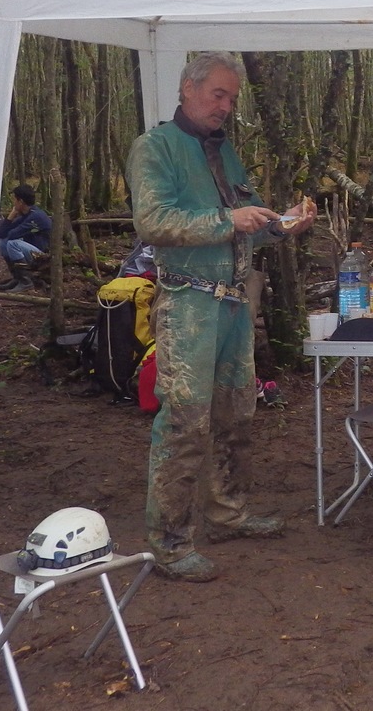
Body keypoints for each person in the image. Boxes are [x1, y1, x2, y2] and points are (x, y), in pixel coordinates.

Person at [126, 51, 315, 582]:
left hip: (233, 303)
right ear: (188, 88)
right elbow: (153, 221)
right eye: (218, 95)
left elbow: (247, 222)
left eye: (231, 98)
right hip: (187, 303)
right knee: (185, 422)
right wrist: (227, 219)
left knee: (237, 412)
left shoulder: (224, 150)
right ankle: (169, 542)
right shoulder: (156, 147)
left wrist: (280, 224)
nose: (226, 107)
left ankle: (228, 512)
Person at [0, 184, 53, 292]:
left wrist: (13, 217)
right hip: (31, 252)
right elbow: (1, 234)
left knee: (13, 244)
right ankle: (17, 278)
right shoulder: (27, 215)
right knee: (3, 242)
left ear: (20, 201)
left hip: (42, 256)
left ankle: (26, 282)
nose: (13, 203)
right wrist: (12, 215)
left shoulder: (36, 216)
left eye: (14, 200)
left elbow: (12, 235)